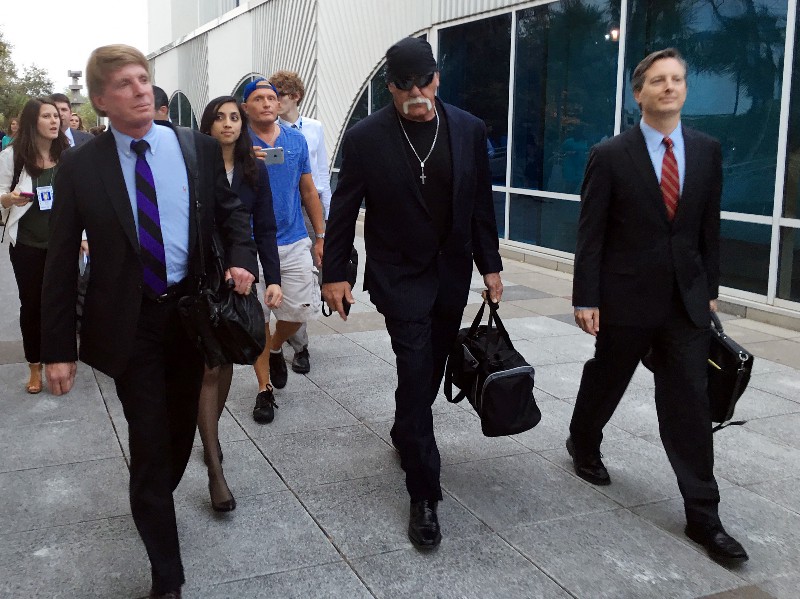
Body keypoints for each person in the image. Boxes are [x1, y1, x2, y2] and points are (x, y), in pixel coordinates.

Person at [41, 44, 258, 599]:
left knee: (181, 431)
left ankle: (154, 493)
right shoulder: (80, 167)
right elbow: (60, 261)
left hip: (189, 315)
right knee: (149, 439)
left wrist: (242, 259)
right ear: (99, 101)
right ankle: (167, 574)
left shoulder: (195, 148)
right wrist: (57, 349)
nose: (140, 90)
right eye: (124, 84)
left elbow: (232, 214)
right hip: (129, 322)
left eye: (143, 79)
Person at [322, 37, 503, 549]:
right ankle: (424, 492)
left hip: (451, 274)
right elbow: (344, 210)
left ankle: (406, 429)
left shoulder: (467, 128)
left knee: (428, 368)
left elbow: (480, 204)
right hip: (398, 274)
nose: (416, 93)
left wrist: (490, 265)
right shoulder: (366, 138)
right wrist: (335, 273)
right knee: (415, 363)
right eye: (404, 86)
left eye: (423, 82)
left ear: (436, 78)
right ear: (390, 87)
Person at [568, 48, 748, 563]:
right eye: (658, 80)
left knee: (689, 402)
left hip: (685, 303)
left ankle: (704, 517)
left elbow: (708, 224)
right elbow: (591, 234)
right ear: (638, 93)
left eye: (677, 79)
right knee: (609, 376)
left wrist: (709, 287)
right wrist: (587, 296)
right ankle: (583, 439)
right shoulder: (610, 155)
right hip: (625, 297)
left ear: (685, 89)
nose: (669, 87)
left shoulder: (707, 150)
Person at [197, 95, 283, 510]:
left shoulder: (254, 169)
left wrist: (272, 278)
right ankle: (214, 466)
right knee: (208, 365)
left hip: (238, 274)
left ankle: (209, 434)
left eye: (234, 117)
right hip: (199, 273)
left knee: (227, 357)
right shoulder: (194, 165)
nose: (228, 124)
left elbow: (263, 227)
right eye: (220, 118)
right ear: (208, 125)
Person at [242, 77, 325, 424]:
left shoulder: (296, 140)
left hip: (292, 240)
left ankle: (276, 346)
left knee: (299, 310)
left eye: (270, 98)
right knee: (258, 318)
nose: (266, 103)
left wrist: (321, 236)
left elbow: (308, 190)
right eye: (258, 98)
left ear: (279, 104)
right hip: (250, 244)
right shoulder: (237, 142)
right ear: (246, 107)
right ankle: (264, 390)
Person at [0, 98, 69, 394]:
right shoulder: (12, 156)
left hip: (63, 244)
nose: (54, 121)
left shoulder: (67, 155)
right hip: (27, 245)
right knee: (32, 306)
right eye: (47, 116)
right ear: (32, 121)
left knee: (62, 304)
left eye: (56, 116)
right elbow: (1, 193)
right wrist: (9, 199)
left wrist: (82, 238)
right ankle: (35, 366)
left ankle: (61, 360)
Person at [270, 70, 332, 375]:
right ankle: (289, 345)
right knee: (281, 275)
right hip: (282, 206)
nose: (274, 102)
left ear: (295, 96)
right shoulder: (269, 131)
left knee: (307, 277)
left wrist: (326, 221)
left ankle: (298, 343)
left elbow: (321, 174)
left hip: (309, 207)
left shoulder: (314, 129)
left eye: (279, 95)